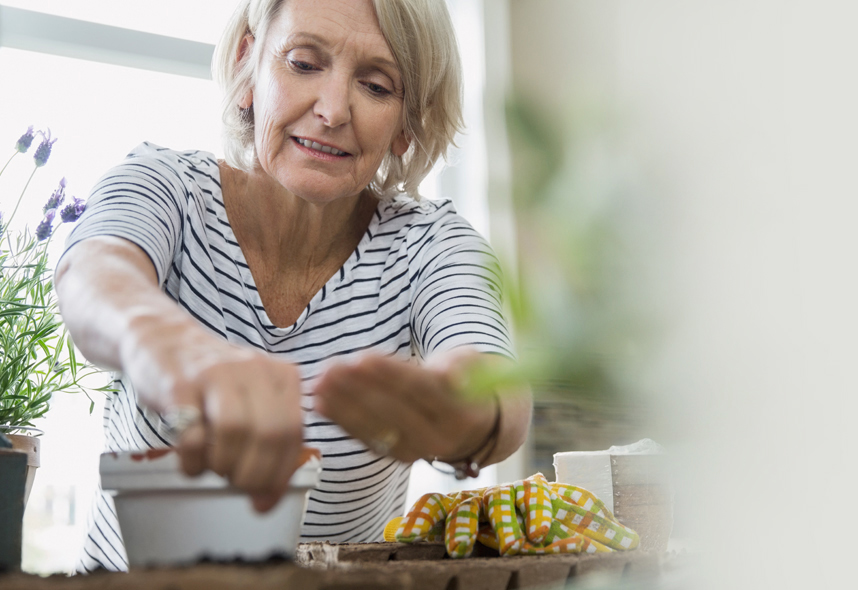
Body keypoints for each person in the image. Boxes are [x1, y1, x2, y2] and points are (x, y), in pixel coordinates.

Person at [54, 0, 530, 572]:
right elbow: (94, 276)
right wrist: (163, 342)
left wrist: (461, 414)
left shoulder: (431, 246)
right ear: (248, 61)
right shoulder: (167, 187)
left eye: (376, 86)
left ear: (406, 124)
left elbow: (495, 385)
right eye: (304, 63)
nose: (332, 110)